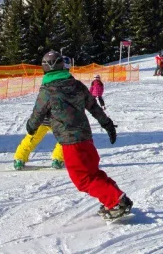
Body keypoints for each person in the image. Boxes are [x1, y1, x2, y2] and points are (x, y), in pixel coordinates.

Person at [27, 51, 131, 221]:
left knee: (82, 180)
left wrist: (31, 128)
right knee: (93, 173)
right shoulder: (76, 85)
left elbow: (37, 114)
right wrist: (107, 124)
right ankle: (118, 198)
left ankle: (115, 202)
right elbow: (94, 107)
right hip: (85, 138)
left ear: (44, 69)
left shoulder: (47, 90)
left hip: (70, 142)